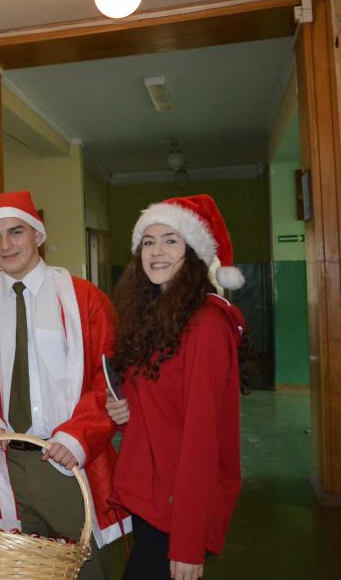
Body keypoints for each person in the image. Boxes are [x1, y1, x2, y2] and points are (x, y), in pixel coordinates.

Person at [0, 191, 130, 580]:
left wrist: (78, 437)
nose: (5, 245)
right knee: (12, 573)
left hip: (68, 463)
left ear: (37, 234)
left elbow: (109, 380)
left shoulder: (85, 300)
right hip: (3, 464)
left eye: (16, 232)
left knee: (87, 570)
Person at [106, 194, 246, 580]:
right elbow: (158, 401)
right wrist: (122, 409)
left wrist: (187, 540)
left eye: (171, 240)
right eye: (148, 242)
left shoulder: (205, 326)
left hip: (178, 507)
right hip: (152, 495)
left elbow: (203, 441)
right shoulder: (155, 316)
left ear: (195, 252)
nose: (156, 252)